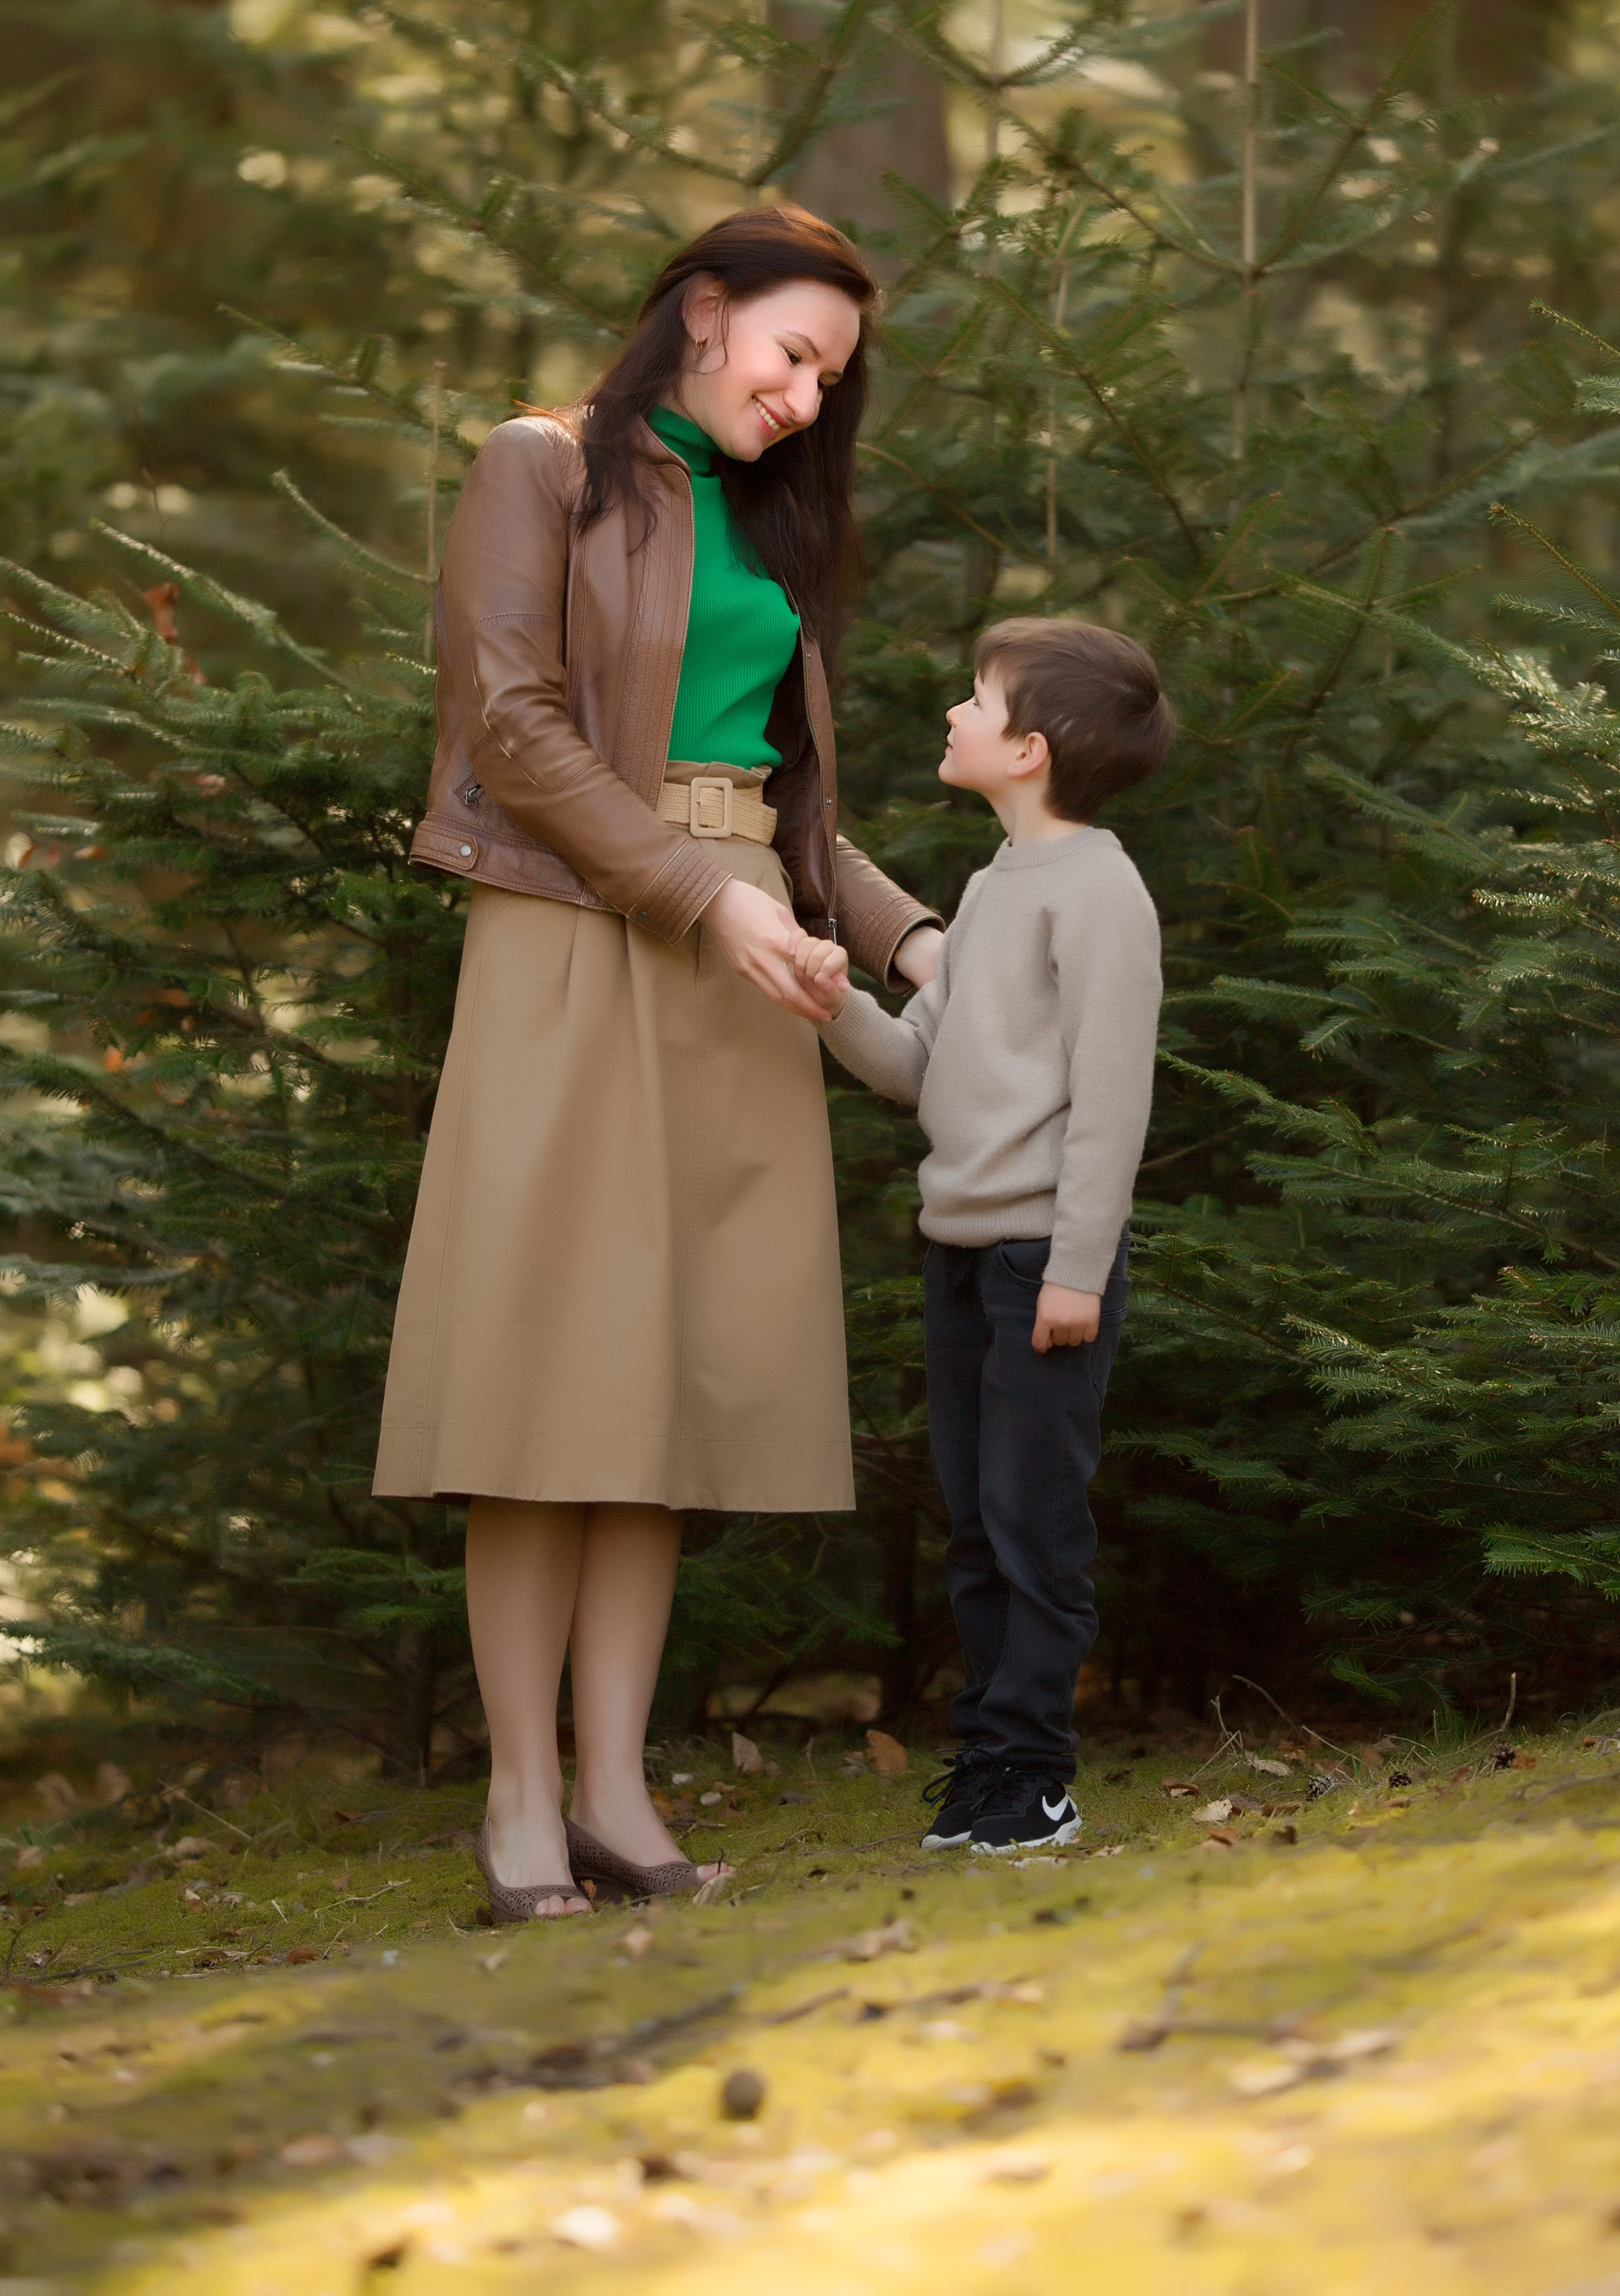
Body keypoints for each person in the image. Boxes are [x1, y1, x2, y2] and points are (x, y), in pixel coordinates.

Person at [374, 207, 942, 1921]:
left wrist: (914, 938)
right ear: (700, 313)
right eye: (790, 353)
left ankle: (619, 1799)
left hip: (741, 953)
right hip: (574, 932)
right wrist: (705, 899)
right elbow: (515, 728)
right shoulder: (537, 467)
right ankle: (521, 1805)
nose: (805, 397)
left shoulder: (765, 524)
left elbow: (776, 792)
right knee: (546, 1385)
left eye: (830, 379)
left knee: (665, 1396)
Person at [800, 617, 1173, 1856]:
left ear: (1031, 747)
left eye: (976, 699)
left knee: (1034, 1521)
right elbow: (921, 1069)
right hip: (959, 1258)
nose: (952, 715)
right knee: (977, 1523)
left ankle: (1036, 1774)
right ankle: (987, 1767)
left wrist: (1075, 1270)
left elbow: (1112, 1101)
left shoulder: (1100, 892)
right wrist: (833, 1003)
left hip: (1041, 1270)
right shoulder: (991, 888)